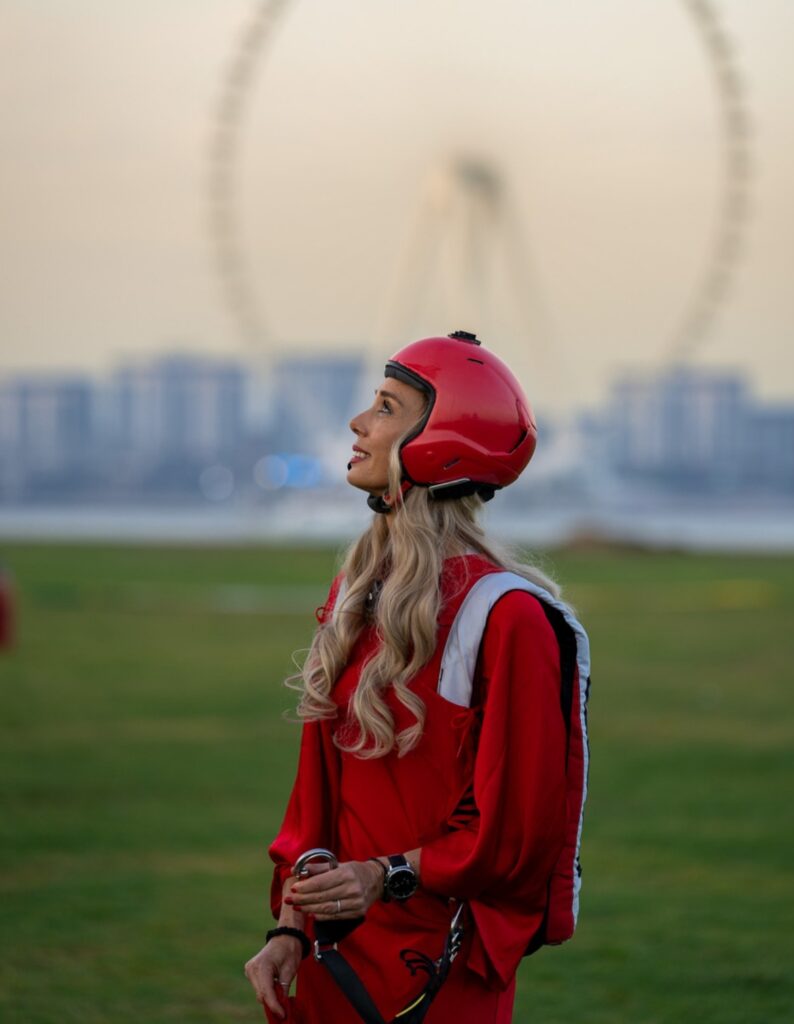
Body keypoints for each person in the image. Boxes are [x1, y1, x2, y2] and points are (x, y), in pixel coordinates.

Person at [245, 332, 590, 1023]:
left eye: (384, 406)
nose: (357, 422)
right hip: (330, 953)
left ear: (439, 440)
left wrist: (385, 874)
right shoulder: (355, 592)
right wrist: (289, 920)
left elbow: (514, 833)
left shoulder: (509, 617)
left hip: (438, 966)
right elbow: (316, 789)